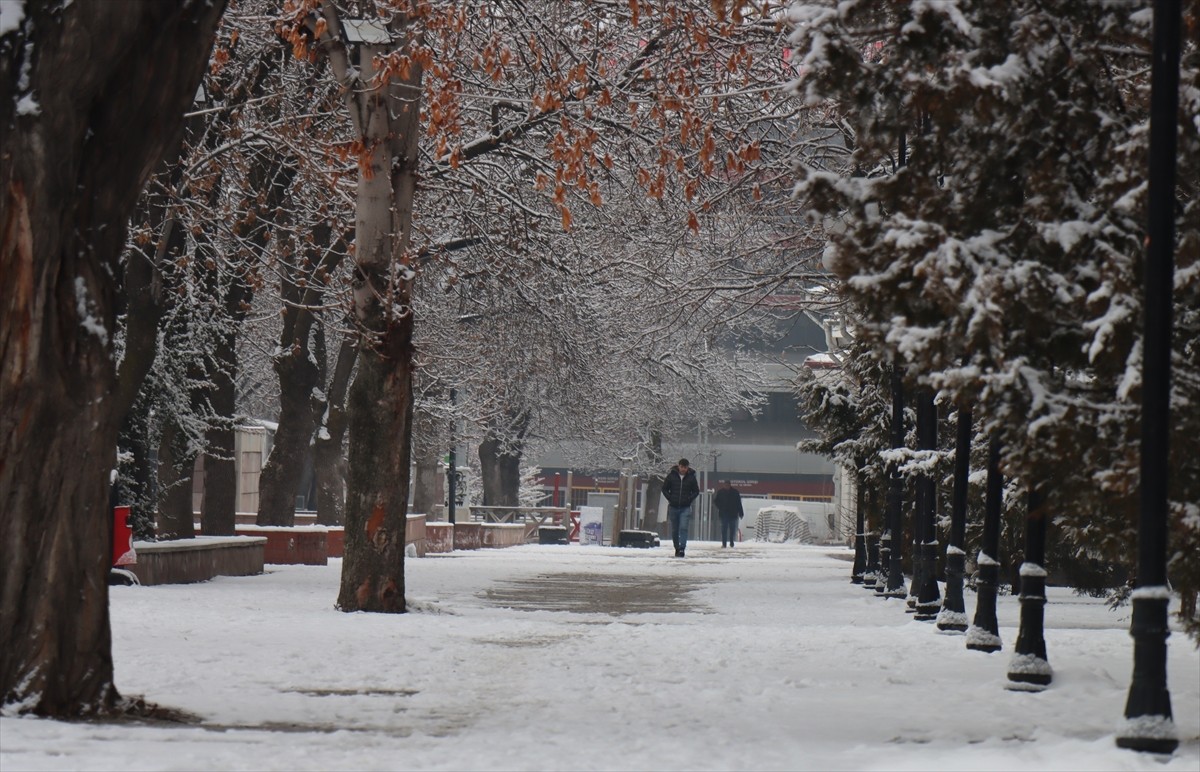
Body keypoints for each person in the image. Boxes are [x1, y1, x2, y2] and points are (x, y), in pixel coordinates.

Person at [661, 458, 700, 557]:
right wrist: (670, 498)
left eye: (685, 467)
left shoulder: (691, 478)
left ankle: (682, 548)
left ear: (687, 468)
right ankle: (676, 547)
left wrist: (689, 499)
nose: (683, 469)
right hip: (673, 507)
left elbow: (696, 491)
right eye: (682, 467)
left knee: (683, 528)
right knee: (675, 529)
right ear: (679, 466)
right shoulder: (671, 476)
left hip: (685, 507)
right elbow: (664, 488)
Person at [714, 480, 744, 548]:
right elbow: (716, 501)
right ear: (724, 485)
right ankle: (724, 543)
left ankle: (731, 542)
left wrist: (741, 512)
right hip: (724, 513)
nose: (726, 486)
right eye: (725, 485)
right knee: (724, 529)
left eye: (727, 485)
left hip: (733, 513)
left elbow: (739, 503)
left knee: (732, 529)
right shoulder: (720, 492)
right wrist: (720, 507)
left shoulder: (735, 492)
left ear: (730, 485)